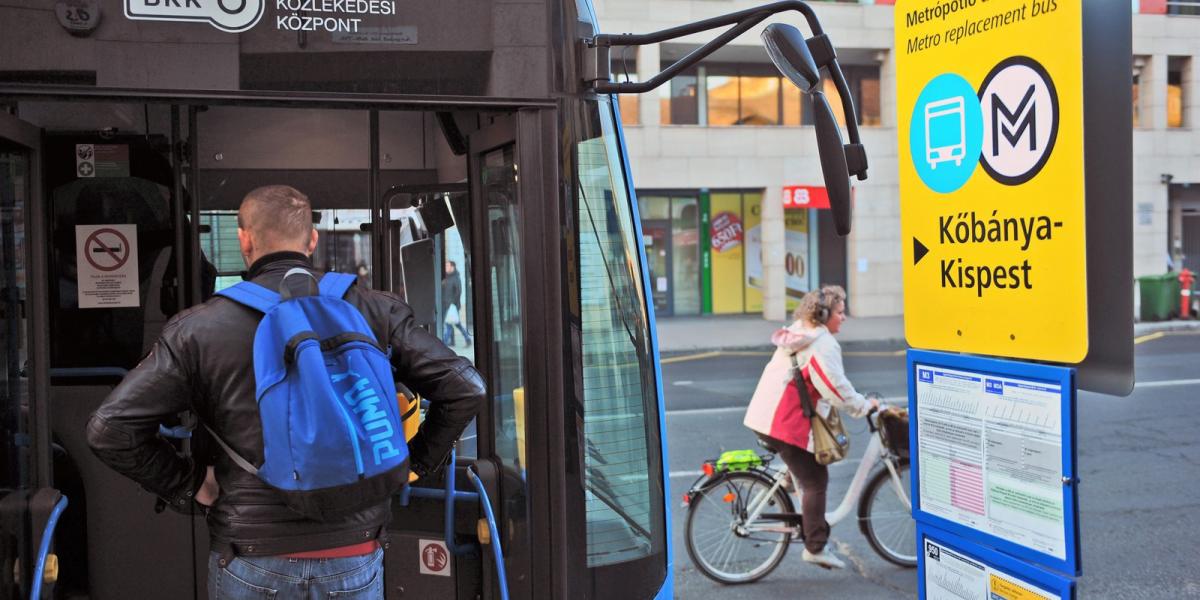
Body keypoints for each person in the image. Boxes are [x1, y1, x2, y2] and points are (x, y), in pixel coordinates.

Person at [87, 185, 485, 598]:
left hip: (251, 554)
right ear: (312, 240)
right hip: (354, 550)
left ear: (244, 239)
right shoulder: (373, 309)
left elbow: (109, 430)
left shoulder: (198, 330)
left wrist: (187, 485)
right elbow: (465, 388)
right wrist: (414, 463)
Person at [743, 285, 878, 570]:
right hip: (782, 422)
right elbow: (835, 389)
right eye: (840, 312)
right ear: (824, 314)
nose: (845, 317)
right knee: (816, 481)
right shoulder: (822, 343)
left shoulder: (800, 330)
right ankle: (815, 546)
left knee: (802, 469)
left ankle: (790, 484)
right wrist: (863, 406)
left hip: (763, 415)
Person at [441, 260, 472, 346]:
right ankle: (466, 339)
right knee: (456, 324)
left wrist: (452, 304)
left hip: (452, 306)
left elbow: (458, 292)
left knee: (448, 324)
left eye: (447, 266)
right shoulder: (447, 278)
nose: (446, 268)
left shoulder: (456, 278)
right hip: (446, 305)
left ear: (452, 267)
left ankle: (443, 343)